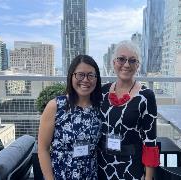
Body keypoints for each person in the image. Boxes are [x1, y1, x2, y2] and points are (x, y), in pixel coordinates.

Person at [98, 40, 160, 180]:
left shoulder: (146, 96)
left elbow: (150, 141)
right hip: (102, 165)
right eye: (121, 59)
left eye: (132, 61)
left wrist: (148, 177)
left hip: (131, 168)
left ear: (137, 65)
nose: (126, 64)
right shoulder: (102, 92)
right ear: (113, 62)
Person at [38, 55, 102, 180]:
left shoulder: (99, 107)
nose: (85, 79)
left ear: (96, 78)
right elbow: (43, 148)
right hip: (61, 175)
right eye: (80, 75)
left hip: (91, 176)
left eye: (91, 75)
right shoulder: (56, 106)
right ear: (71, 76)